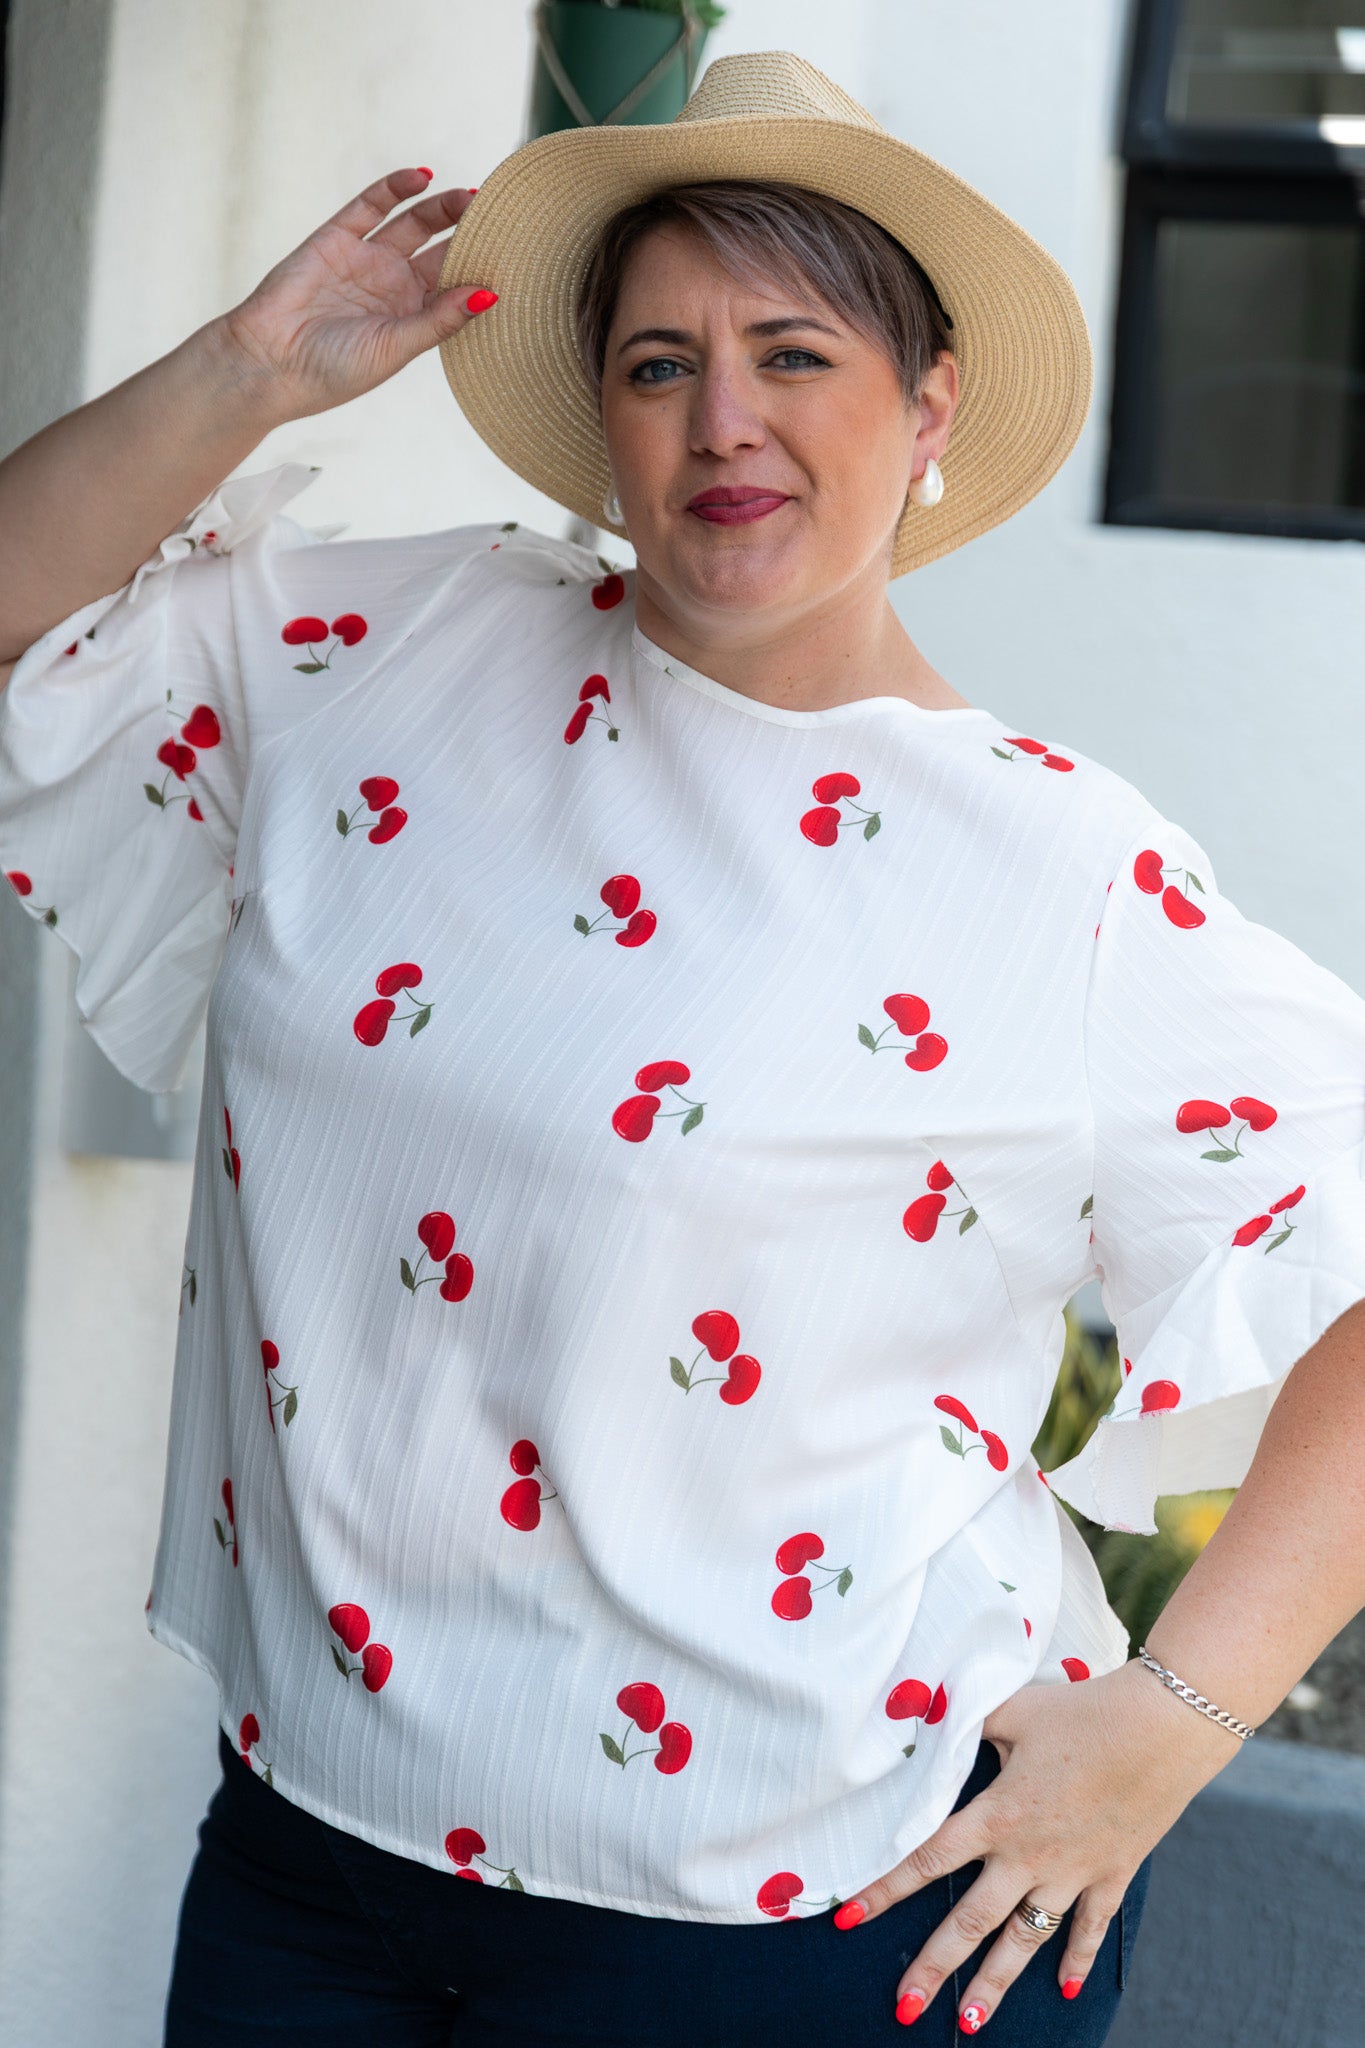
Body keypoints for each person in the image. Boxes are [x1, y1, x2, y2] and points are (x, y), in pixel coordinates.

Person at [2, 46, 1363, 2048]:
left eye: (793, 353)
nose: (724, 418)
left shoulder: (1055, 870)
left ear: (926, 408)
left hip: (798, 1915)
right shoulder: (376, 657)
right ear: (603, 421)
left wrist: (1169, 1726)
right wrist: (246, 372)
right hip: (315, 1853)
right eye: (659, 364)